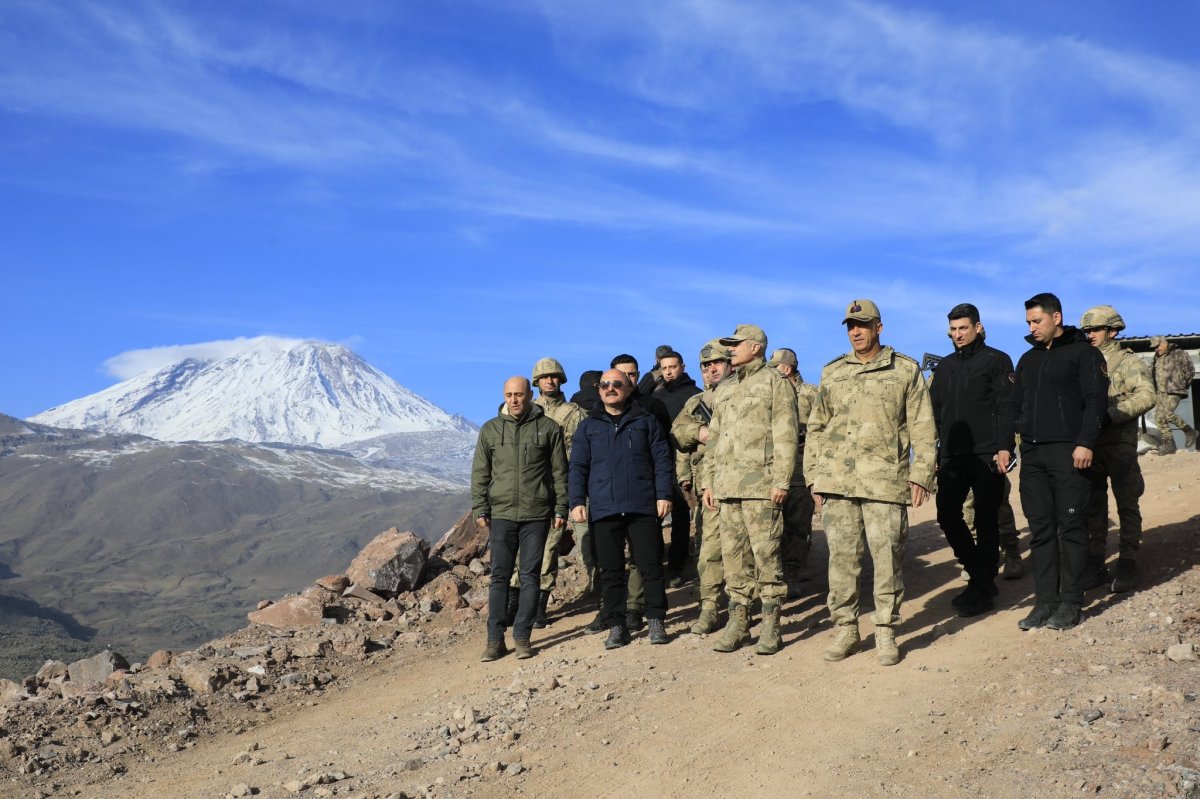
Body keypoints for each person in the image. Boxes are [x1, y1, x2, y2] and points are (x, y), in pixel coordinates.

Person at [806, 300, 936, 666]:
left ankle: (885, 630)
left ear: (880, 327)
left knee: (888, 558)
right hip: (838, 481)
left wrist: (921, 474)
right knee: (842, 561)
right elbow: (817, 426)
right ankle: (846, 629)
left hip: (883, 481)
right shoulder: (833, 372)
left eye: (862, 325)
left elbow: (923, 427)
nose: (855, 332)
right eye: (850, 325)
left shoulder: (905, 370)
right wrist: (814, 476)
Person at [997, 293, 1108, 632]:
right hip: (1033, 455)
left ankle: (1071, 602)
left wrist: (1085, 442)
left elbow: (1096, 402)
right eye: (1028, 322)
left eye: (1037, 321)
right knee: (1042, 530)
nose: (1032, 328)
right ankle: (1045, 602)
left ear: (1056, 318)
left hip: (1069, 453)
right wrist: (1005, 446)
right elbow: (1014, 406)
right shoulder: (1028, 360)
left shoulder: (1083, 354)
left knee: (1071, 527)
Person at [701, 324, 798, 655]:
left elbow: (786, 435)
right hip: (727, 488)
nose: (730, 350)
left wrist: (782, 481)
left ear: (755, 347)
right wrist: (708, 482)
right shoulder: (725, 389)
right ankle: (738, 623)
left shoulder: (776, 383)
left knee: (767, 557)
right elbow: (713, 439)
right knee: (733, 560)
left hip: (761, 487)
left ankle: (771, 624)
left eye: (735, 344)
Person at [569, 369, 675, 649]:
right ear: (599, 390)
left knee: (650, 565)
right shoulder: (588, 426)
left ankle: (655, 620)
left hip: (642, 504)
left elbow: (662, 460)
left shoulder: (646, 421)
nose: (610, 388)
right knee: (610, 570)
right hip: (604, 507)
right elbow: (578, 466)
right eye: (605, 385)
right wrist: (576, 501)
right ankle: (616, 626)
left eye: (617, 384)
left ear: (628, 389)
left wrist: (663, 494)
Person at [470, 377, 567, 661]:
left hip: (536, 513)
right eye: (509, 395)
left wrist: (561, 507)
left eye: (519, 395)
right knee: (499, 577)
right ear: (504, 396)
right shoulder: (490, 430)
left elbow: (560, 472)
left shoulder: (548, 428)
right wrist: (480, 507)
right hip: (501, 514)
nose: (514, 400)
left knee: (530, 575)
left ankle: (522, 636)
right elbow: (480, 473)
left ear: (530, 396)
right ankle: (494, 640)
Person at [929, 303, 1015, 618]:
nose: (957, 335)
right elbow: (934, 412)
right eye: (953, 329)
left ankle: (982, 587)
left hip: (987, 454)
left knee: (985, 519)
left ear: (977, 327)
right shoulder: (946, 366)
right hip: (952, 455)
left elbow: (1007, 406)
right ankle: (979, 576)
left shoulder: (997, 360)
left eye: (963, 328)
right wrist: (932, 454)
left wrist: (1005, 446)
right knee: (947, 516)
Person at [672, 339, 747, 633]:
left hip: (743, 484)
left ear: (729, 364)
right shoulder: (696, 402)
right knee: (709, 551)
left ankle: (742, 607)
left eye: (716, 363)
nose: (711, 369)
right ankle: (710, 607)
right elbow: (678, 432)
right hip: (710, 488)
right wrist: (699, 431)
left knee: (743, 551)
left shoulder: (745, 393)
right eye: (705, 366)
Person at [1079, 306, 1155, 593]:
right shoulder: (1084, 361)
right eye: (1087, 331)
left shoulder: (1127, 362)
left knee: (1127, 503)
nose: (1090, 336)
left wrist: (1110, 415)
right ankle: (1096, 563)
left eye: (1095, 330)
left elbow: (1147, 395)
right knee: (1093, 506)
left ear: (1112, 331)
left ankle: (1128, 561)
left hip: (1119, 443)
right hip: (1091, 446)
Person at [507, 358, 587, 628]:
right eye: (544, 377)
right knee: (523, 547)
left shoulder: (574, 413)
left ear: (561, 380)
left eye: (554, 377)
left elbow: (582, 452)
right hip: (528, 488)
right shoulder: (522, 410)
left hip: (558, 486)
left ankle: (539, 603)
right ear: (536, 382)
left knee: (550, 546)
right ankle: (514, 601)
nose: (550, 381)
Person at [649, 350, 701, 584]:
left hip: (686, 462)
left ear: (682, 366)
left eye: (673, 367)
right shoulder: (656, 398)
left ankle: (678, 565)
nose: (669, 372)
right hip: (660, 463)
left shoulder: (695, 395)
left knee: (682, 514)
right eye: (664, 368)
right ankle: (656, 563)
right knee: (654, 515)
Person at [769, 347, 818, 593]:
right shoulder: (769, 391)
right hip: (774, 462)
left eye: (775, 367)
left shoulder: (810, 393)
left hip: (801, 462)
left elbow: (823, 427)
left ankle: (794, 573)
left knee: (797, 521)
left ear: (787, 368)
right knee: (771, 521)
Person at [1150, 336, 1197, 455]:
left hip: (1174, 390)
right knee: (1159, 419)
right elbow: (1152, 373)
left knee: (1167, 413)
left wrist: (1182, 384)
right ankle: (1170, 444)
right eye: (1154, 347)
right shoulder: (1156, 358)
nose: (1156, 349)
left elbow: (1190, 371)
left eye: (1158, 346)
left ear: (1164, 343)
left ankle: (1189, 431)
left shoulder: (1179, 353)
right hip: (1160, 392)